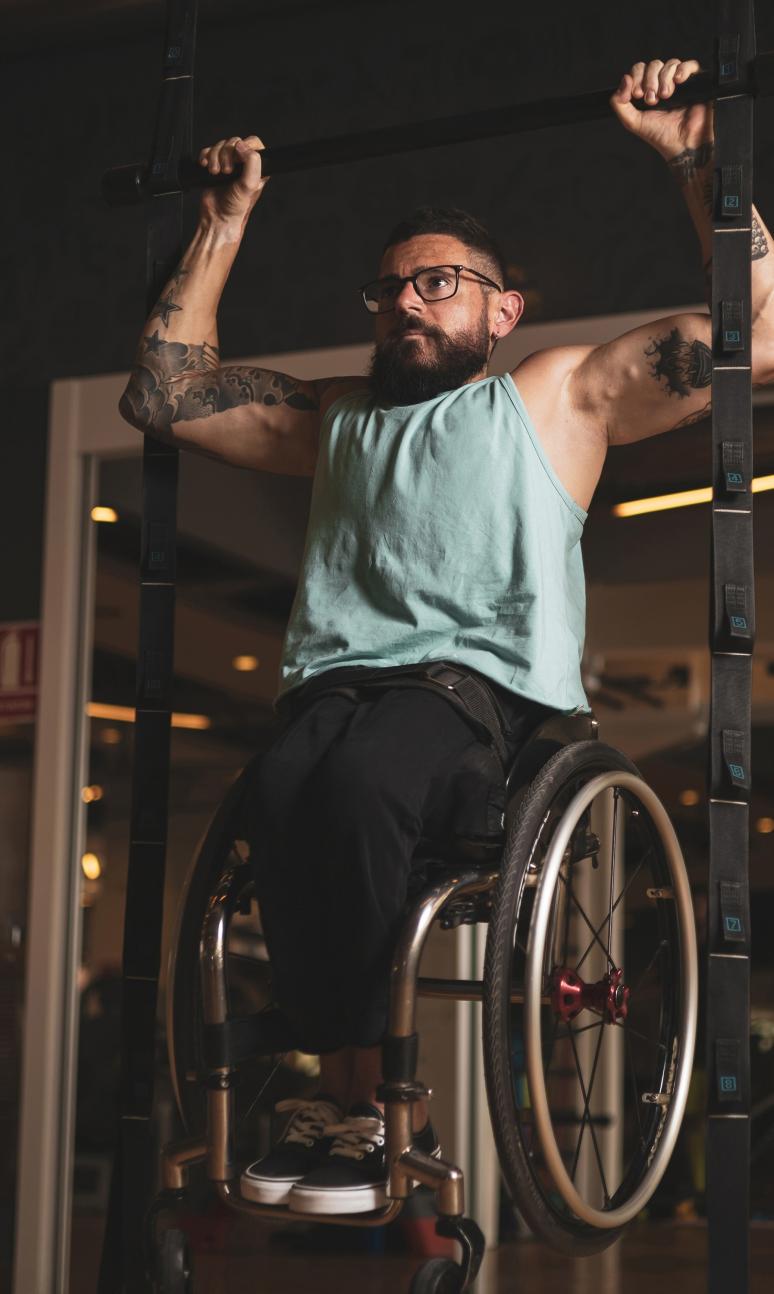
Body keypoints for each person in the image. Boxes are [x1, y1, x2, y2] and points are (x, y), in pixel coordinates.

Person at [119, 56, 774, 1216]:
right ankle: (340, 1092)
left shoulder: (554, 395)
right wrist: (224, 224)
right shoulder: (338, 421)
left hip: (488, 711)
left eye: (438, 283)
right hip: (341, 697)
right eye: (387, 291)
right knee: (280, 786)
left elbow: (759, 335)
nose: (407, 303)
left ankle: (369, 1104)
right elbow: (164, 394)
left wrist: (690, 158)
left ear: (500, 309)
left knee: (369, 776)